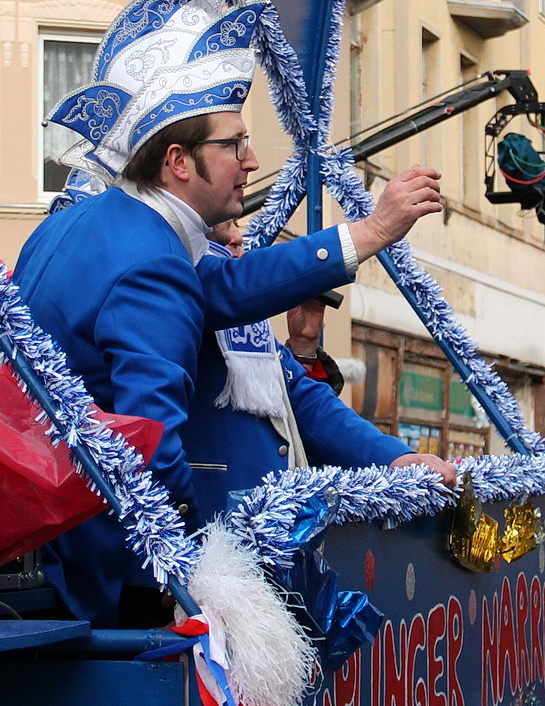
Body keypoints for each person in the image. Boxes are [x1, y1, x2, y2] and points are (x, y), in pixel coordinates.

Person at [0, 0, 444, 626]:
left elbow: (229, 293)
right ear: (178, 163)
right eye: (234, 143)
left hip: (45, 561)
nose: (251, 160)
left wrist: (367, 234)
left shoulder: (89, 228)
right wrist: (199, 577)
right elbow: (151, 447)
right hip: (116, 585)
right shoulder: (154, 262)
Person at [184, 219, 452, 518]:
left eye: (237, 224)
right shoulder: (182, 289)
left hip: (269, 526)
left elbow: (304, 401)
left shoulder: (252, 331)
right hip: (206, 527)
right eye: (223, 226)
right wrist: (375, 228)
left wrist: (394, 457)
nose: (237, 237)